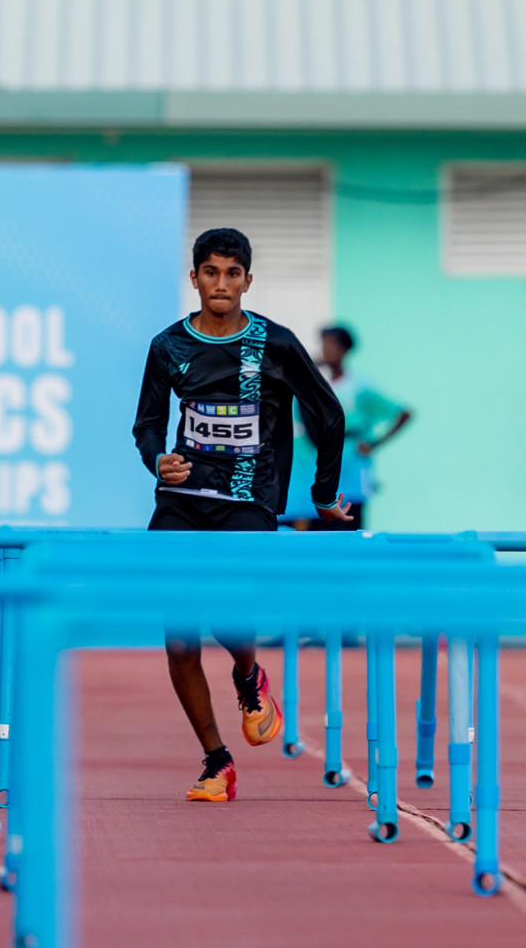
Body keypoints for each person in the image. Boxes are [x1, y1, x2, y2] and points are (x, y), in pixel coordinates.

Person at [132, 227, 350, 803]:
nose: (221, 284)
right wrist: (158, 459)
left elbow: (328, 415)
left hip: (250, 505)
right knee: (178, 637)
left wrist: (324, 496)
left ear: (247, 281)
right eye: (211, 272)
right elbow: (148, 423)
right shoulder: (168, 347)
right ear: (195, 278)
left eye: (232, 274)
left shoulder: (274, 345)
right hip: (182, 504)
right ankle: (216, 761)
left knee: (229, 615)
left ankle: (248, 676)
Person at [283, 325, 412, 531]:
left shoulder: (359, 386)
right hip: (319, 466)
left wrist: (375, 443)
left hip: (350, 464)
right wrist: (308, 365)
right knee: (319, 527)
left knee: (349, 523)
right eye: (324, 344)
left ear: (345, 349)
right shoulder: (316, 383)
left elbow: (403, 413)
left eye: (332, 345)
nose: (327, 349)